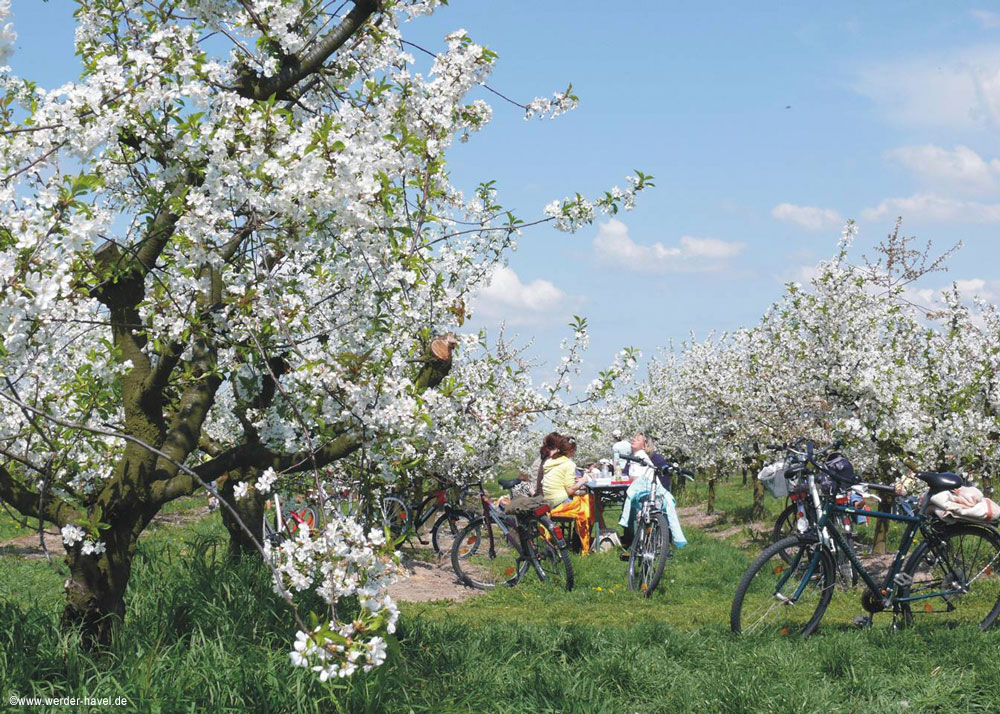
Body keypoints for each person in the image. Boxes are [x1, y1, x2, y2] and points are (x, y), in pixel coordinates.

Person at [618, 433, 687, 551]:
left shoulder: (641, 456)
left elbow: (636, 478)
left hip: (649, 492)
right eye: (633, 438)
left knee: (640, 514)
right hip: (648, 491)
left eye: (638, 439)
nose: (633, 440)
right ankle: (645, 542)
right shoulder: (634, 456)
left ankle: (639, 543)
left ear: (644, 446)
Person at [541, 434, 594, 553]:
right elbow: (570, 490)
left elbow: (558, 478)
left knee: (585, 501)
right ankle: (583, 543)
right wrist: (583, 480)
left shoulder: (550, 461)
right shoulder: (569, 464)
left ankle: (581, 541)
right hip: (560, 501)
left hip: (548, 500)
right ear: (572, 451)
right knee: (589, 502)